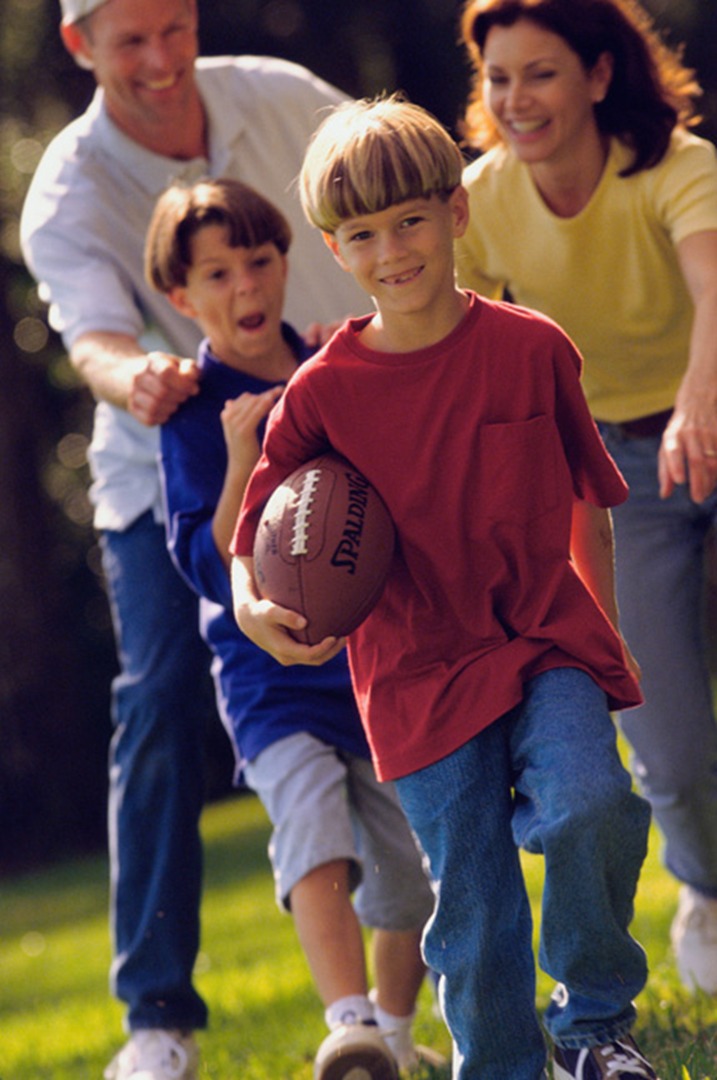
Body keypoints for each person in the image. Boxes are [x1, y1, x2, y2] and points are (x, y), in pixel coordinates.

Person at [229, 93, 657, 1080]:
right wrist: (258, 610)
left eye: (411, 220)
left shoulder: (532, 348)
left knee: (594, 804)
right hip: (416, 677)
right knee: (471, 908)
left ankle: (595, 1032)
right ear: (337, 250)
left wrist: (611, 644)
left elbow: (588, 504)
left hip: (546, 641)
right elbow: (254, 535)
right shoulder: (323, 394)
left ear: (457, 212)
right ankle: (501, 1066)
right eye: (364, 234)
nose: (393, 251)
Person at [20, 1, 366, 1077]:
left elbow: (396, 175)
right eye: (131, 42)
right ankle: (156, 1020)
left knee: (404, 678)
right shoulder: (69, 189)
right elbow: (97, 344)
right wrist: (150, 381)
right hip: (176, 462)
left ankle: (415, 981)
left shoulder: (277, 93)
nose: (163, 60)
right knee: (165, 695)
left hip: (340, 450)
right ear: (81, 48)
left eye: (173, 26)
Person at [145, 175, 443, 1079]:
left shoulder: (338, 368)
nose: (245, 287)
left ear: (288, 262)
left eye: (260, 261)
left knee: (407, 866)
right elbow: (204, 563)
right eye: (217, 272)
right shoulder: (194, 413)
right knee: (312, 818)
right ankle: (345, 1019)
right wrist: (241, 455)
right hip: (267, 676)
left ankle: (389, 1037)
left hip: (371, 665)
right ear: (180, 296)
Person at [454, 0, 717, 997]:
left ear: (602, 77)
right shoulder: (481, 203)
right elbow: (464, 352)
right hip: (615, 478)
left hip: (711, 410)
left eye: (543, 73)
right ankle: (706, 885)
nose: (517, 99)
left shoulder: (676, 167)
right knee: (669, 745)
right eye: (500, 77)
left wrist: (702, 394)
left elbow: (713, 287)